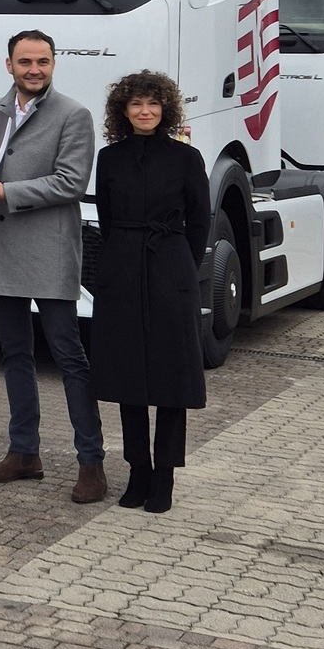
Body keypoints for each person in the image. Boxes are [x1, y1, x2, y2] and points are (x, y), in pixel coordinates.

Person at [0, 30, 107, 503]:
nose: (34, 69)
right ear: (8, 65)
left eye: (43, 61)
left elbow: (71, 182)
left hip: (48, 253)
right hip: (1, 252)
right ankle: (24, 453)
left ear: (54, 64)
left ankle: (92, 462)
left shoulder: (73, 115)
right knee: (14, 356)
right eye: (25, 61)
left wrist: (8, 192)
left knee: (70, 359)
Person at [90, 70, 209, 514]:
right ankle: (138, 469)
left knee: (171, 377)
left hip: (169, 268)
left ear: (166, 110)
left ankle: (165, 476)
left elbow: (200, 219)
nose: (145, 111)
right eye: (136, 104)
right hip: (121, 267)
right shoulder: (110, 158)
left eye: (153, 104)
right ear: (123, 110)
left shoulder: (185, 158)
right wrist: (123, 255)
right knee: (128, 375)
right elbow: (105, 215)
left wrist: (181, 265)